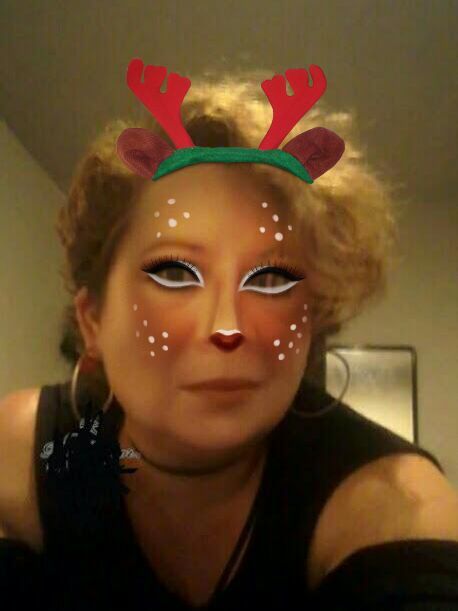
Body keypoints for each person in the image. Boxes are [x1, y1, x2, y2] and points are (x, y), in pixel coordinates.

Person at [0, 59, 457, 610]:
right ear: (93, 320)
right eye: (174, 273)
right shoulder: (19, 453)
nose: (227, 326)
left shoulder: (394, 502)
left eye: (270, 279)